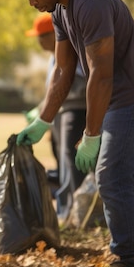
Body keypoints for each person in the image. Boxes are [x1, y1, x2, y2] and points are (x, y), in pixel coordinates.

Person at [12, 0, 134, 267]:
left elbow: (101, 75)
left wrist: (91, 135)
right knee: (128, 178)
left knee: (109, 175)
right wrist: (43, 120)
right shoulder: (59, 12)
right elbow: (64, 71)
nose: (32, 3)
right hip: (112, 97)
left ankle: (125, 262)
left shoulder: (90, 1)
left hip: (133, 95)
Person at [25, 13, 88, 224]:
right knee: (63, 162)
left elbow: (75, 83)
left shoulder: (70, 49)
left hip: (75, 111)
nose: (39, 41)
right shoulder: (54, 55)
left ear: (54, 33)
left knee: (72, 159)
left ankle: (80, 212)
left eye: (42, 36)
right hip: (61, 113)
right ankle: (66, 210)